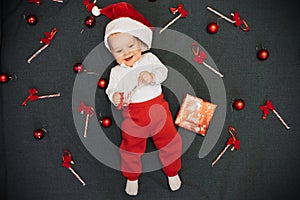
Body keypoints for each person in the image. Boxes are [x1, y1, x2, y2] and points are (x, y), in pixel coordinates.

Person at [96, 2, 183, 196]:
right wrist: (116, 96)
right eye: (118, 51)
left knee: (169, 141)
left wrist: (152, 77)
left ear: (140, 44)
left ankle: (172, 171)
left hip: (159, 111)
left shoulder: (149, 59)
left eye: (130, 46)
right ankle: (132, 177)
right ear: (112, 53)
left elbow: (163, 72)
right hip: (133, 116)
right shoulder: (116, 72)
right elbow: (111, 91)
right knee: (130, 148)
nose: (126, 52)